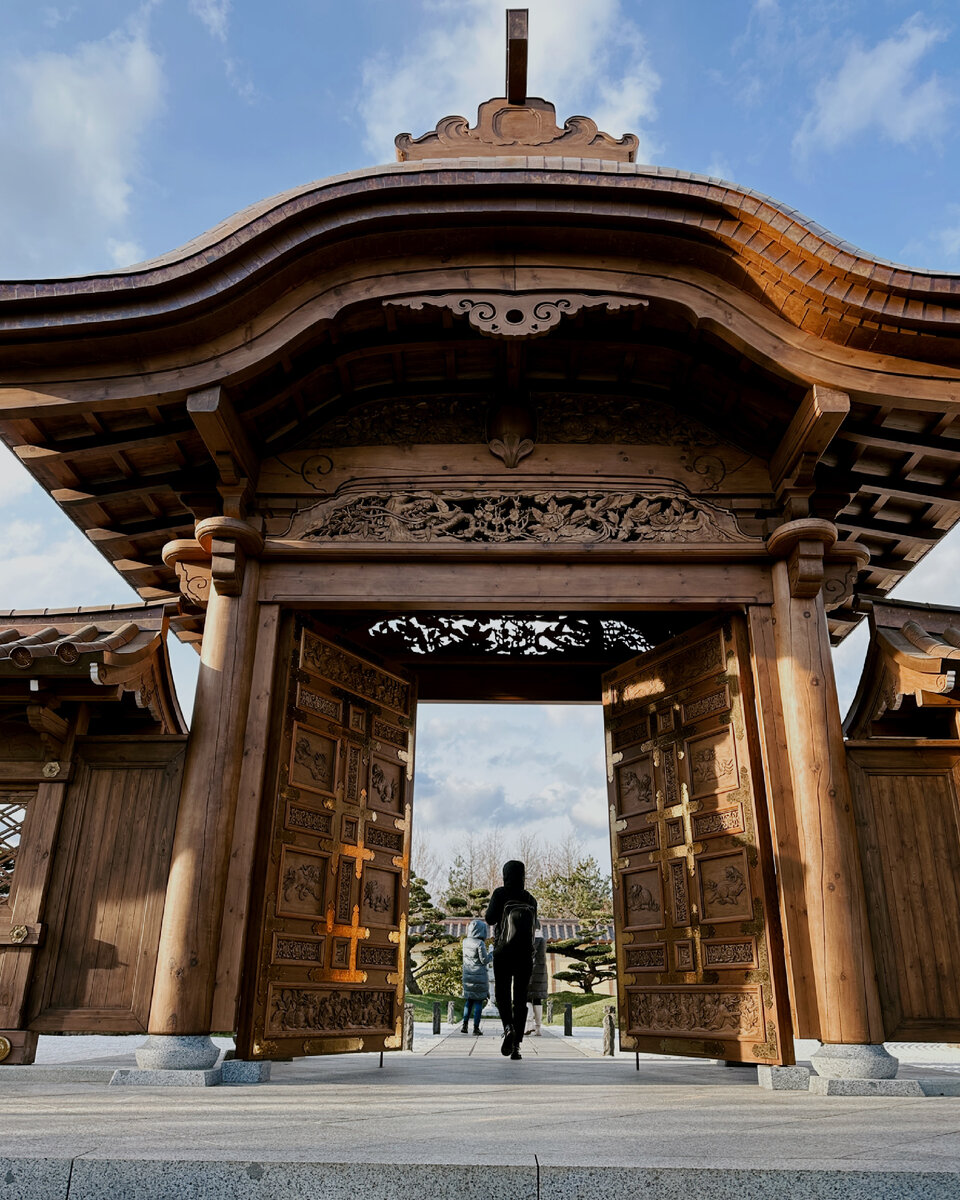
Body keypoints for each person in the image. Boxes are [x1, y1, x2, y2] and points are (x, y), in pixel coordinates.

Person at [484, 860, 538, 1061]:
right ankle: (516, 1046)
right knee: (521, 998)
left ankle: (508, 1028)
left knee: (503, 994)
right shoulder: (530, 899)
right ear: (523, 875)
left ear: (505, 874)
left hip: (503, 952)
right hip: (525, 954)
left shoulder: (500, 894)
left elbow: (490, 919)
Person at [460, 917, 491, 1035]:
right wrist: (491, 954)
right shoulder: (480, 943)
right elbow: (484, 960)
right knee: (478, 1002)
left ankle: (464, 1025)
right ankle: (476, 1028)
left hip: (468, 976)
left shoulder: (465, 942)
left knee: (469, 1001)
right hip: (479, 977)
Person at [525, 930, 548, 1036]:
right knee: (537, 999)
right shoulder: (543, 940)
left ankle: (529, 1024)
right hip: (542, 971)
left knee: (527, 997)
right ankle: (538, 1028)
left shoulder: (529, 939)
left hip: (529, 971)